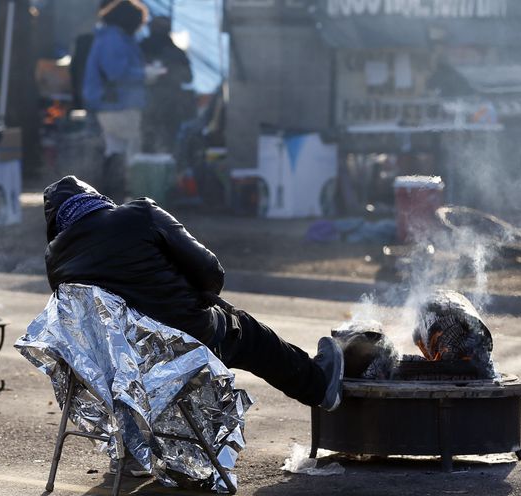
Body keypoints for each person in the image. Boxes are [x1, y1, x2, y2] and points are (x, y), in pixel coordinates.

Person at [42, 175, 344, 411]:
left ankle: (134, 448)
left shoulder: (55, 260)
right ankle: (319, 387)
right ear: (95, 200)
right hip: (186, 342)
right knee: (249, 333)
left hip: (119, 370)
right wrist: (198, 294)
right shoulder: (140, 213)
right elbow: (211, 273)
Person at [83, 0, 162, 202]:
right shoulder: (114, 38)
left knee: (115, 149)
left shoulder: (110, 36)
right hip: (117, 104)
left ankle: (112, 197)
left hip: (110, 103)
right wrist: (145, 74)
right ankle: (125, 197)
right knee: (128, 150)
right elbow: (116, 72)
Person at [140, 16, 195, 153]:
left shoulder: (141, 49)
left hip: (161, 104)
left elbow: (187, 78)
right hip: (155, 104)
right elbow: (188, 78)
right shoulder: (175, 52)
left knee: (155, 143)